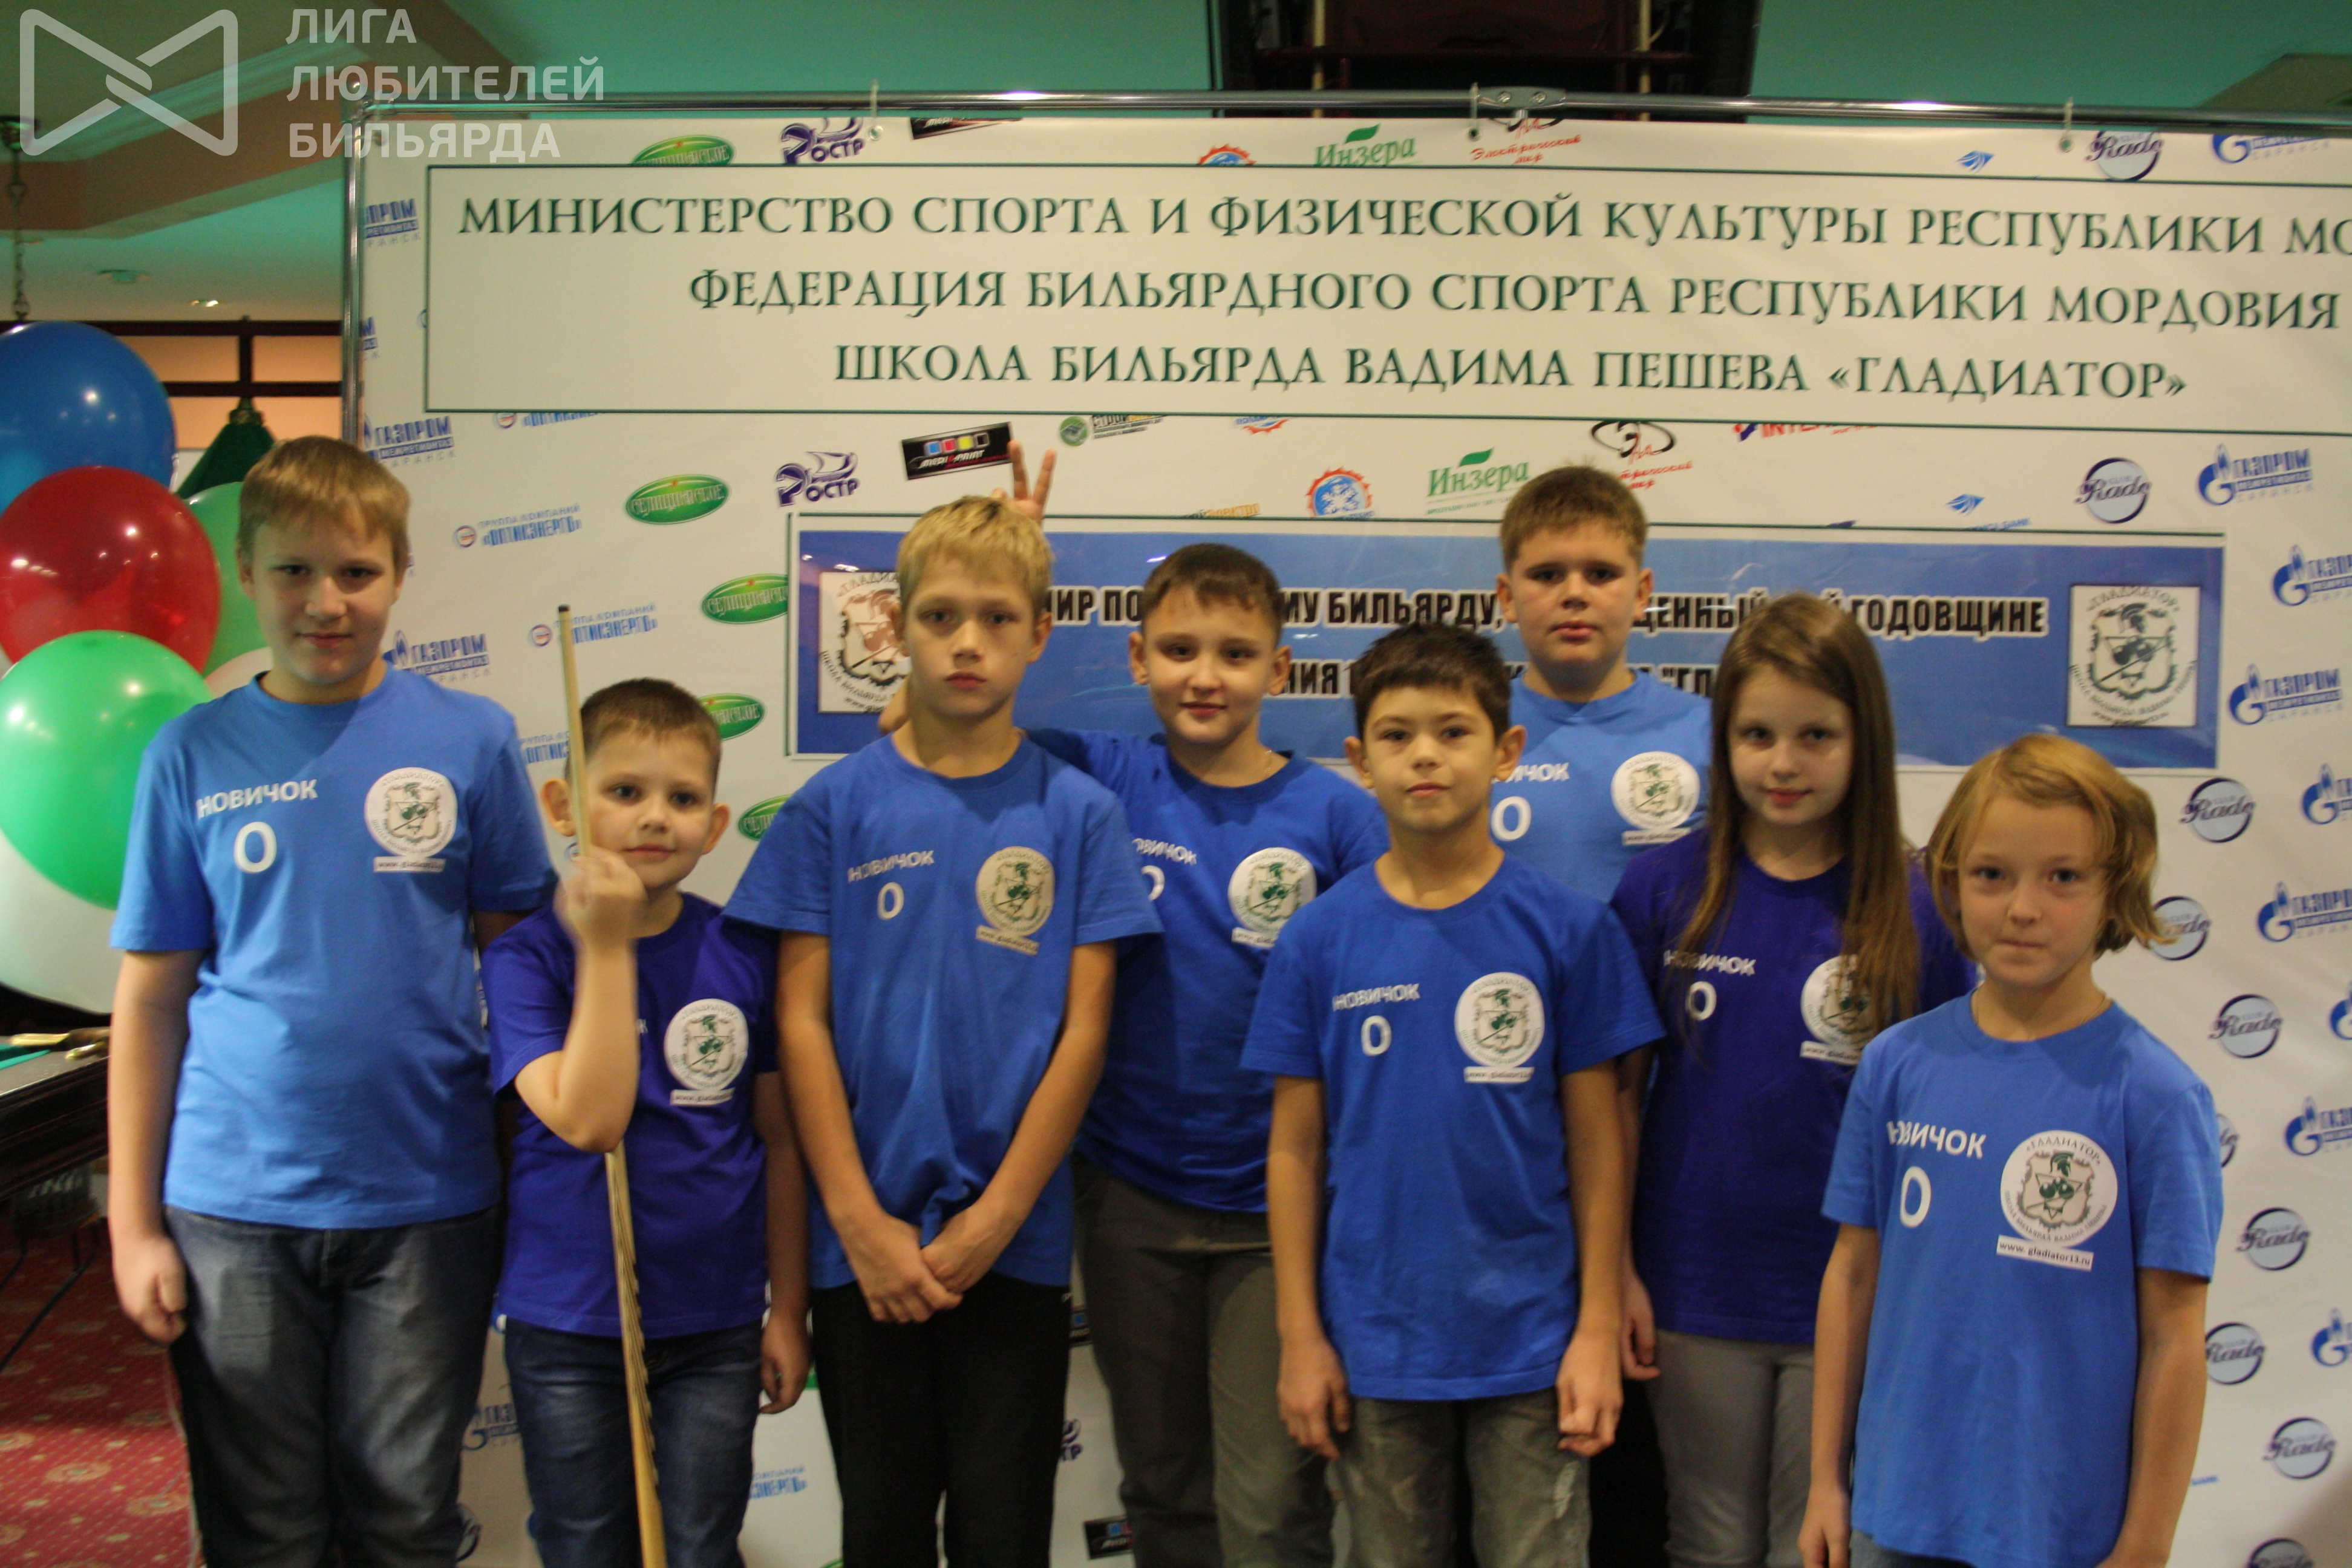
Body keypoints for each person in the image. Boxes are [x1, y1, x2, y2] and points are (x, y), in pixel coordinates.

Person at [108, 436, 557, 1565]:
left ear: (400, 574)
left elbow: (523, 968)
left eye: (356, 573)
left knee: (404, 1519)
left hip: (429, 1198)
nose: (325, 602)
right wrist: (132, 1225)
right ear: (246, 575)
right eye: (294, 571)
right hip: (230, 1208)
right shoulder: (189, 754)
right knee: (263, 1527)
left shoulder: (473, 740)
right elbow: (151, 1002)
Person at [728, 494, 1162, 1568]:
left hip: (1010, 1244)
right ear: (898, 624)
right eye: (941, 617)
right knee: (879, 1532)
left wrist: (996, 1217)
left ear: (1040, 632)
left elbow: (1085, 1033)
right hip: (859, 1245)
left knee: (1003, 1534)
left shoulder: (1080, 813)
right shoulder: (834, 807)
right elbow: (800, 1024)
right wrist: (860, 1223)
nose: (968, 642)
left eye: (997, 618)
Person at [1245, 622, 1661, 1568]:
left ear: (1507, 751)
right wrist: (1301, 1336)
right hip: (1376, 1341)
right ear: (1360, 760)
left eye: (1453, 731)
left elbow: (1599, 1144)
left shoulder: (1569, 931)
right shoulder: (1316, 941)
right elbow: (1294, 1151)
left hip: (1535, 1342)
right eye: (1396, 735)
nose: (1425, 755)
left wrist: (1596, 1329)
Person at [1609, 595, 1972, 1568]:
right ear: (1722, 739)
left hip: (1853, 1291)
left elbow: (1945, 1129)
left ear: (1864, 740)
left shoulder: (1924, 909)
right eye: (1757, 734)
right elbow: (1615, 1101)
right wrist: (1618, 1271)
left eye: (1816, 736)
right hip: (1693, 1284)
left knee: (1817, 1545)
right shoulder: (1662, 890)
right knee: (1711, 1543)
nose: (1783, 762)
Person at [1801, 734, 2223, 1568]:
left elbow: (2176, 1337)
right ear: (1951, 882)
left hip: (2061, 1532)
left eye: (2063, 877)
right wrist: (1824, 1480)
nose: (2023, 907)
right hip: (1896, 1514)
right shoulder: (1896, 1064)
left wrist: (2145, 1544)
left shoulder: (2155, 1096)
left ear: (2116, 889)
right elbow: (1853, 1274)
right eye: (1992, 874)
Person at [480, 679, 809, 1568]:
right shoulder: (526, 960)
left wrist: (787, 1308)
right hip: (569, 1321)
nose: (655, 817)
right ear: (563, 805)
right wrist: (607, 944)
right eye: (625, 791)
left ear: (717, 821)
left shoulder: (743, 950)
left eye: (684, 798)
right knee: (586, 1546)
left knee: (701, 1546)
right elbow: (590, 1121)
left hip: (715, 1322)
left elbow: (780, 1143)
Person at [1492, 465, 1712, 904]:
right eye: (1548, 575)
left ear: (1642, 593)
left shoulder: (1707, 732)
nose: (1575, 594)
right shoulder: (1467, 736)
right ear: (1508, 597)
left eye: (1601, 574)